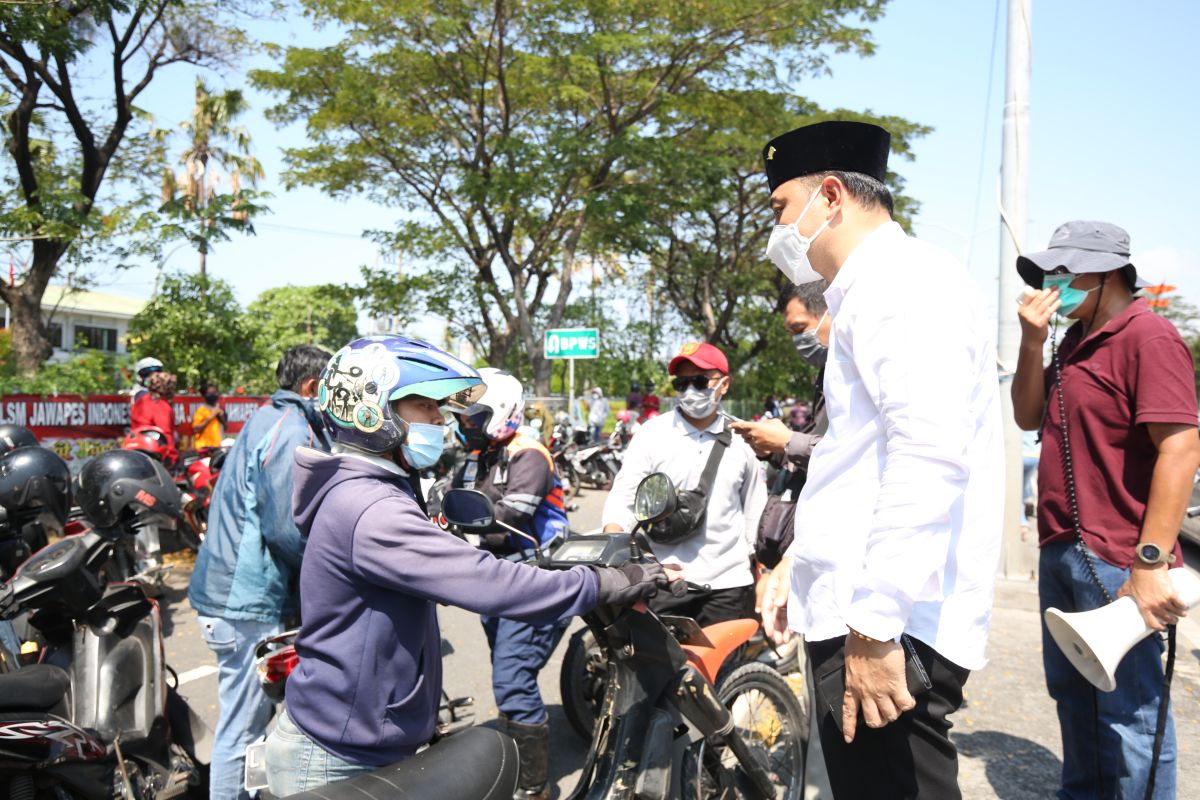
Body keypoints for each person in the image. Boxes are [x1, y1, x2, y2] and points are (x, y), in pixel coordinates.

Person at [264, 335, 667, 796]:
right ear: (373, 411)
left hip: (355, 739)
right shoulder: (371, 507)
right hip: (337, 758)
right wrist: (604, 582)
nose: (440, 420)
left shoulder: (373, 490)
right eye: (423, 406)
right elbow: (491, 583)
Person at [756, 120, 1004, 799]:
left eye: (781, 209)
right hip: (866, 611)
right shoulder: (875, 290)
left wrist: (873, 626)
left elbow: (927, 456)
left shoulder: (905, 284)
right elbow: (857, 464)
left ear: (830, 196)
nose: (779, 233)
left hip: (887, 628)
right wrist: (793, 567)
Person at [1011, 221, 1200, 799]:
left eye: (1066, 273)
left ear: (1109, 274)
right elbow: (1026, 416)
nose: (1053, 284)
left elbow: (1181, 446)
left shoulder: (1150, 337)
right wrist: (1030, 344)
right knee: (1076, 698)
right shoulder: (1071, 341)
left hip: (1119, 557)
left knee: (1132, 713)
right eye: (1050, 273)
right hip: (1063, 547)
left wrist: (1148, 563)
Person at [187, 345, 333, 800]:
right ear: (311, 387)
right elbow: (287, 530)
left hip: (231, 595)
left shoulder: (267, 416)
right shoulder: (293, 431)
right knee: (242, 731)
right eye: (330, 387)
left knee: (249, 724)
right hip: (244, 601)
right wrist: (334, 570)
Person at [451, 368, 570, 800]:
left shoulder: (529, 454)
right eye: (462, 416)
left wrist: (458, 521)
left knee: (513, 679)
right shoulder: (479, 454)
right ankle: (519, 750)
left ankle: (534, 788)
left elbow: (507, 518)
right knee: (510, 675)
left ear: (499, 413)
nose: (464, 423)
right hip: (496, 580)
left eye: (471, 416)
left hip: (537, 580)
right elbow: (450, 500)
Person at [602, 341, 766, 626]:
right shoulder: (652, 434)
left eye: (701, 382)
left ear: (724, 385)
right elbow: (623, 500)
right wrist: (619, 554)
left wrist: (763, 575)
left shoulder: (743, 439)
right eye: (682, 384)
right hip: (664, 581)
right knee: (661, 670)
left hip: (728, 586)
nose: (690, 391)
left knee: (728, 671)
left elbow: (756, 512)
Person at [729, 280, 831, 591]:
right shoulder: (826, 374)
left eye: (801, 328)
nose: (798, 341)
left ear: (833, 313)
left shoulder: (859, 372)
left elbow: (852, 457)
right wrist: (772, 447)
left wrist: (787, 441)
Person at [130, 370, 178, 462]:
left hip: (137, 453)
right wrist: (173, 458)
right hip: (155, 456)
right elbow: (165, 435)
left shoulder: (140, 402)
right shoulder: (161, 406)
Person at [192, 381, 226, 450]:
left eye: (214, 393)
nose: (213, 395)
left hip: (218, 447)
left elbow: (225, 428)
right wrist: (210, 417)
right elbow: (196, 429)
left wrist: (221, 418)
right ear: (205, 395)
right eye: (210, 393)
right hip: (205, 448)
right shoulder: (201, 410)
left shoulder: (220, 410)